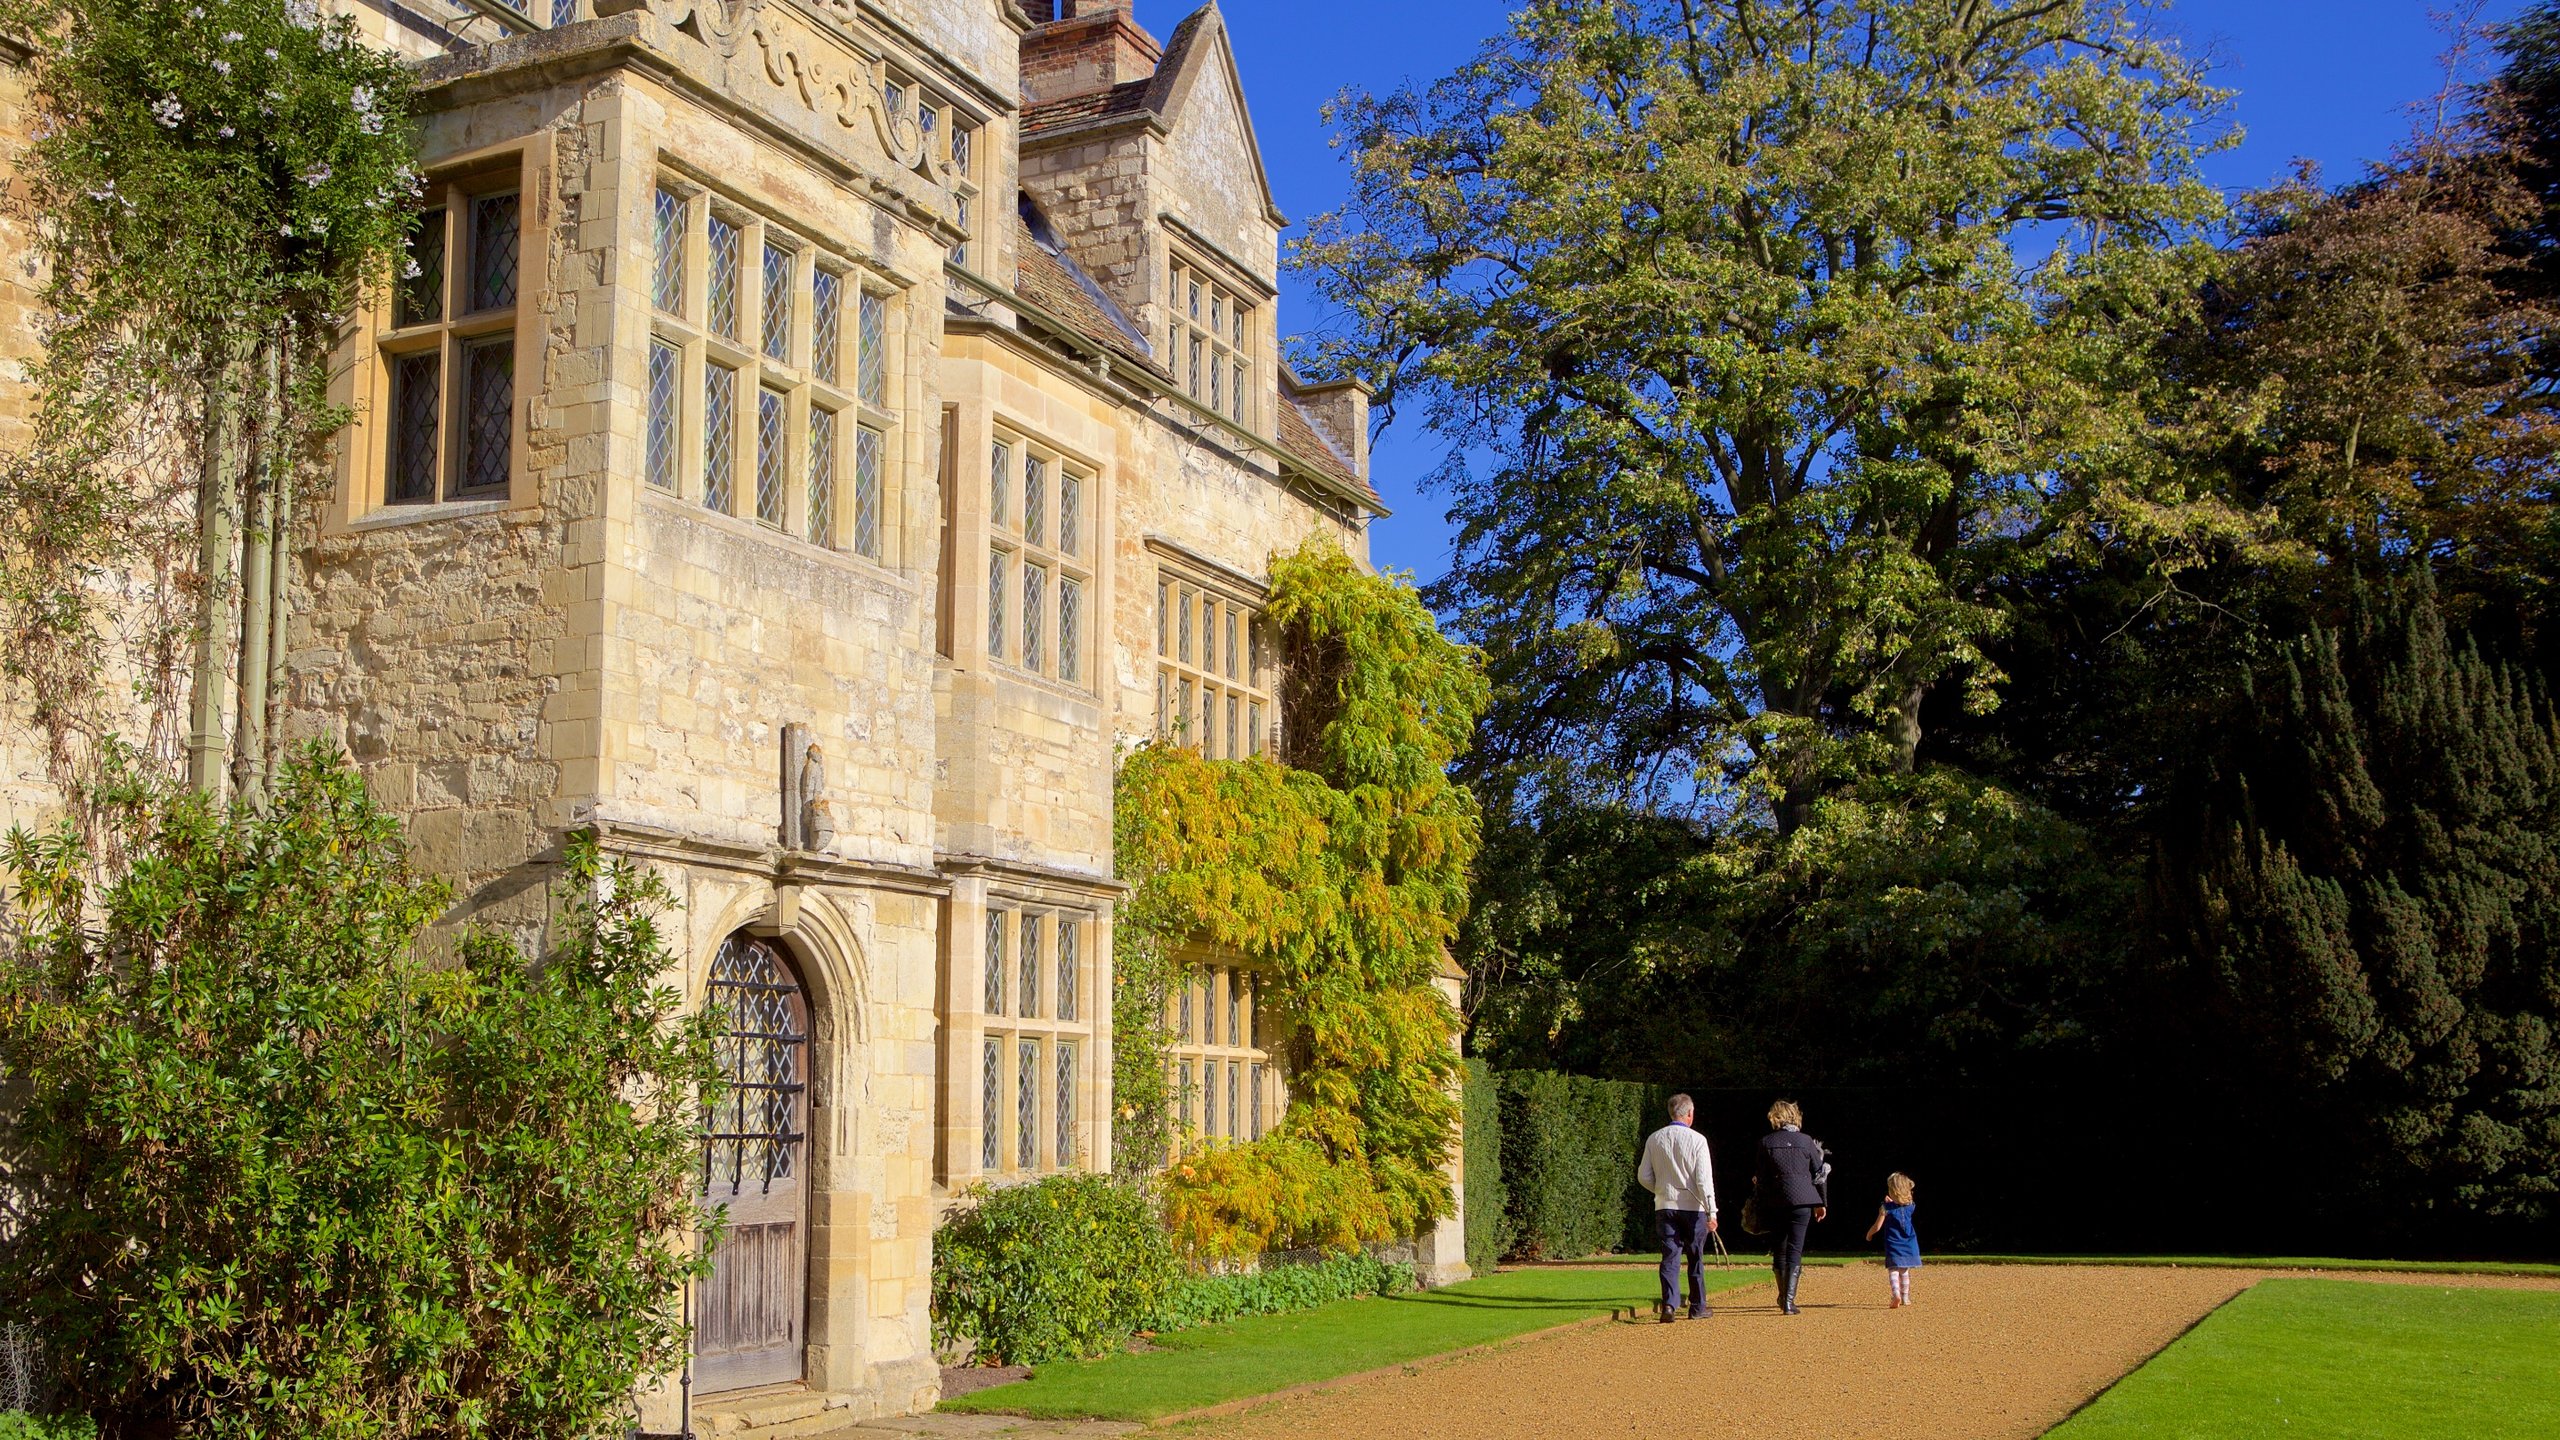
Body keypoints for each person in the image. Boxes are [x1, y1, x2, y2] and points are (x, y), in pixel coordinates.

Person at [1637, 1092, 1718, 1322]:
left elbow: (1643, 1175)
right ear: (1689, 1114)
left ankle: (1669, 1306)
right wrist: (1712, 1211)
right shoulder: (1698, 1140)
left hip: (1665, 1206)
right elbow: (1704, 1180)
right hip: (1693, 1208)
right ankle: (1697, 1306)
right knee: (1695, 1255)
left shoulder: (1654, 1138)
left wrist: (1661, 1191)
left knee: (1670, 1256)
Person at [1751, 1099, 1828, 1315]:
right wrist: (1821, 1202)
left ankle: (1783, 1296)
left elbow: (1761, 1178)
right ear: (1795, 1116)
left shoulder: (1766, 1142)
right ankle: (1788, 1302)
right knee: (1795, 1249)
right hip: (1803, 1201)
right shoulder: (1805, 1141)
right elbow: (1820, 1175)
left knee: (1780, 1249)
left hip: (1775, 1202)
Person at [1864, 1171, 1922, 1308]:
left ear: (1892, 1190)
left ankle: (1895, 1294)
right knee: (1904, 1271)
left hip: (1894, 1244)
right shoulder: (1911, 1206)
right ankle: (1905, 1297)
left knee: (1893, 1270)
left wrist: (1869, 1235)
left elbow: (1877, 1226)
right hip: (1909, 1244)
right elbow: (1904, 1201)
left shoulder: (1885, 1208)